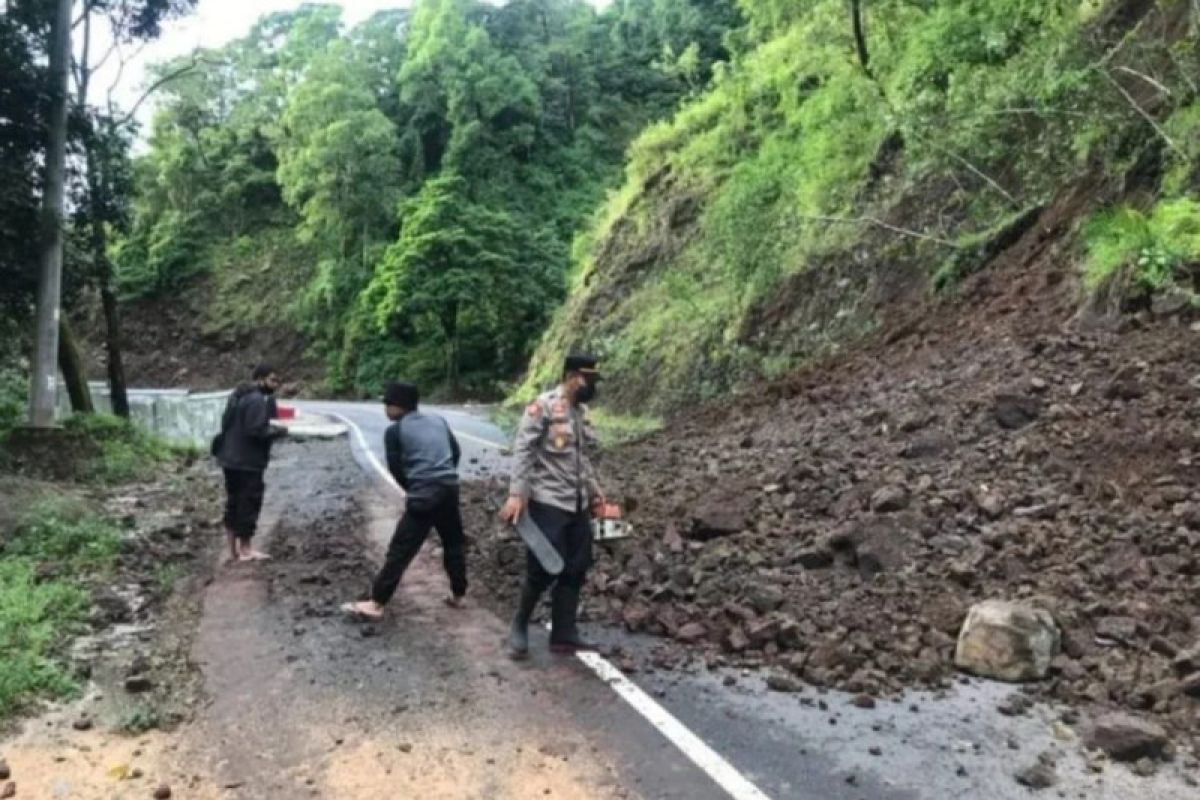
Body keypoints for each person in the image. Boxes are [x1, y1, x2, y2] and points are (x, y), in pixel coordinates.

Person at [500, 354, 605, 658]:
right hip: (548, 499)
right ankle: (519, 625)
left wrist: (596, 492)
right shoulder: (543, 405)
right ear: (572, 376)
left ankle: (564, 633)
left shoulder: (580, 412)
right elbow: (524, 449)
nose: (591, 386)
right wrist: (517, 493)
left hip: (577, 502)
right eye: (588, 379)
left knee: (576, 566)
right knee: (544, 566)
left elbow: (582, 457)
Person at [342, 381, 467, 619]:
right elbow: (456, 451)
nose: (385, 409)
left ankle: (376, 602)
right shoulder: (438, 421)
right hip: (449, 489)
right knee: (453, 543)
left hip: (425, 494)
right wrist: (444, 476)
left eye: (388, 403)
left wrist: (414, 489)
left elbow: (396, 469)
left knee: (400, 549)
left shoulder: (395, 431)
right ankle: (458, 595)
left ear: (399, 406)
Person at [215, 363, 287, 562]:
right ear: (260, 379)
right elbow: (256, 430)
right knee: (249, 501)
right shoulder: (256, 401)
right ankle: (246, 549)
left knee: (234, 502)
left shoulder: (237, 396)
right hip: (247, 461)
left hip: (229, 459)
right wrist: (279, 431)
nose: (275, 385)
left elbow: (226, 423)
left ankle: (233, 550)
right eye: (272, 380)